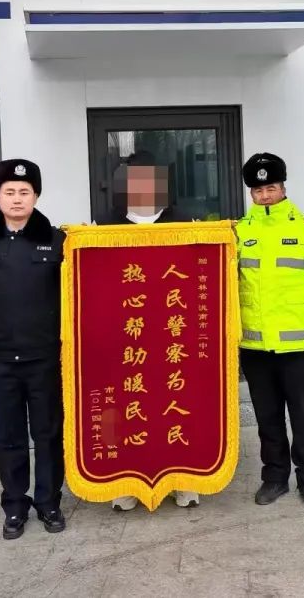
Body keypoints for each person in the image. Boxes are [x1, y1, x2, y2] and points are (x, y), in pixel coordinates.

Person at [0, 159, 67, 539]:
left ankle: (49, 502)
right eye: (10, 192)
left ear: (36, 196)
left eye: (25, 191)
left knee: (48, 434)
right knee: (8, 437)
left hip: (46, 358)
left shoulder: (58, 241)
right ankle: (15, 506)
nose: (17, 198)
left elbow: (73, 298)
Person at [235, 152, 304, 509]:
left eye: (271, 188)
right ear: (251, 193)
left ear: (283, 188)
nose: (265, 196)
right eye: (258, 191)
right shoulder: (239, 232)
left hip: (299, 345)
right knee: (267, 419)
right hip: (255, 345)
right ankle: (275, 478)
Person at [103, 150, 200, 510]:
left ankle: (183, 481)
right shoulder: (106, 228)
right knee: (130, 409)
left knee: (175, 407)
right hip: (127, 338)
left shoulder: (185, 224)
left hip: (174, 336)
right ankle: (126, 484)